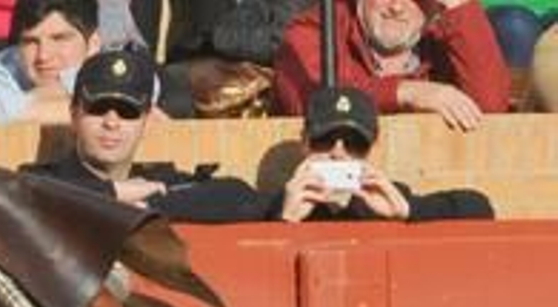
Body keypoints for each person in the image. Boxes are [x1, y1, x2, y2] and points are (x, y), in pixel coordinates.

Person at [25, 47, 267, 220]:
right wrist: (115, 193)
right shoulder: (36, 181)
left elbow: (240, 196)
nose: (112, 122)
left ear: (147, 121)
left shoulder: (156, 184)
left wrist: (147, 206)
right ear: (74, 114)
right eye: (98, 109)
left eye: (127, 111)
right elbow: (29, 196)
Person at [268, 84, 495, 220]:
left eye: (354, 143)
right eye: (324, 141)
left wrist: (409, 211)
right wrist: (281, 217)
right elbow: (231, 194)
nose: (338, 153)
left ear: (371, 149)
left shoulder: (383, 199)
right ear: (305, 143)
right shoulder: (285, 201)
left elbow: (478, 206)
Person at [273, 0, 511, 129]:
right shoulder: (318, 28)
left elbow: (491, 108)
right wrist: (403, 92)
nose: (397, 7)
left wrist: (460, 7)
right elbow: (311, 100)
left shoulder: (445, 40)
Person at [0, 0, 164, 124]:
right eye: (31, 42)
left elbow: (146, 85)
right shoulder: (7, 62)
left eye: (60, 39)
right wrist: (101, 105)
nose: (43, 55)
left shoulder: (110, 54)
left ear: (94, 43)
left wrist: (26, 105)